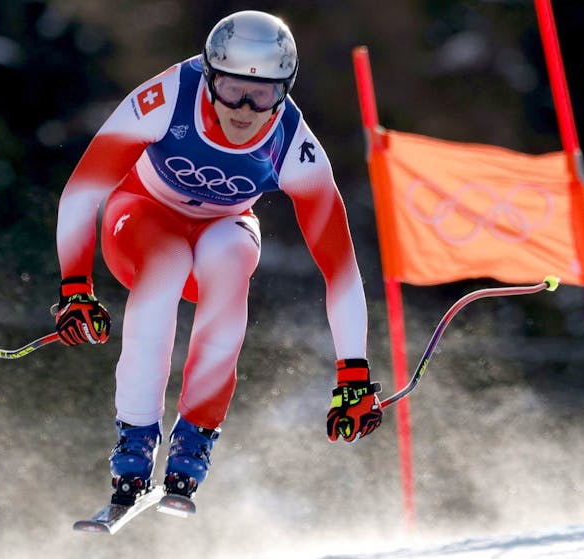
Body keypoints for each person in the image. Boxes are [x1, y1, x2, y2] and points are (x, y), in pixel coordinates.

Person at [53, 10, 383, 505]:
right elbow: (82, 192)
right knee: (166, 264)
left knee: (230, 255)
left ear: (284, 91)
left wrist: (353, 373)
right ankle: (135, 441)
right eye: (231, 90)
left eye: (263, 95)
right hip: (140, 217)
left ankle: (194, 439)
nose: (245, 109)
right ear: (209, 76)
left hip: (222, 228)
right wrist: (76, 286)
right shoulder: (167, 96)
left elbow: (340, 271)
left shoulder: (294, 144)